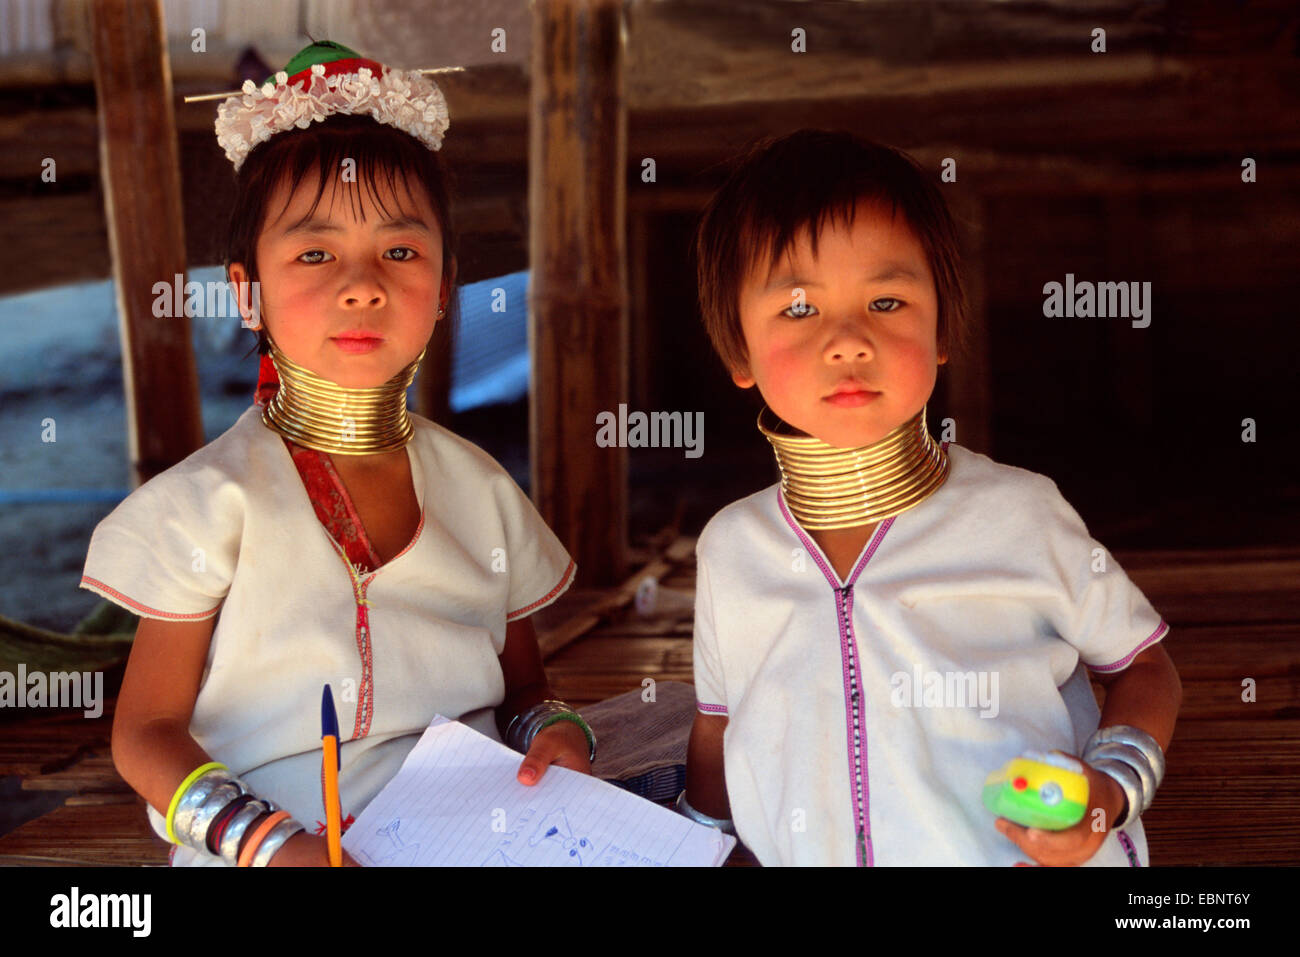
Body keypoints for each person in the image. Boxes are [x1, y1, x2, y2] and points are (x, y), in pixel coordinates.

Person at [81, 42, 592, 867]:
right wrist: (271, 845)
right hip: (264, 843)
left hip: (480, 833)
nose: (364, 284)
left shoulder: (482, 490)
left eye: (400, 251)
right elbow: (145, 733)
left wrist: (559, 733)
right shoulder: (209, 503)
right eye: (315, 253)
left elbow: (526, 690)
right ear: (246, 290)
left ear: (444, 288)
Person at [678, 130, 1182, 866]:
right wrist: (702, 843)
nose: (848, 340)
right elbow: (719, 728)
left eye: (887, 300)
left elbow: (1143, 665)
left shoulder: (1020, 514)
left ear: (943, 325)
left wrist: (1106, 792)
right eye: (798, 308)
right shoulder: (731, 548)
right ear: (736, 350)